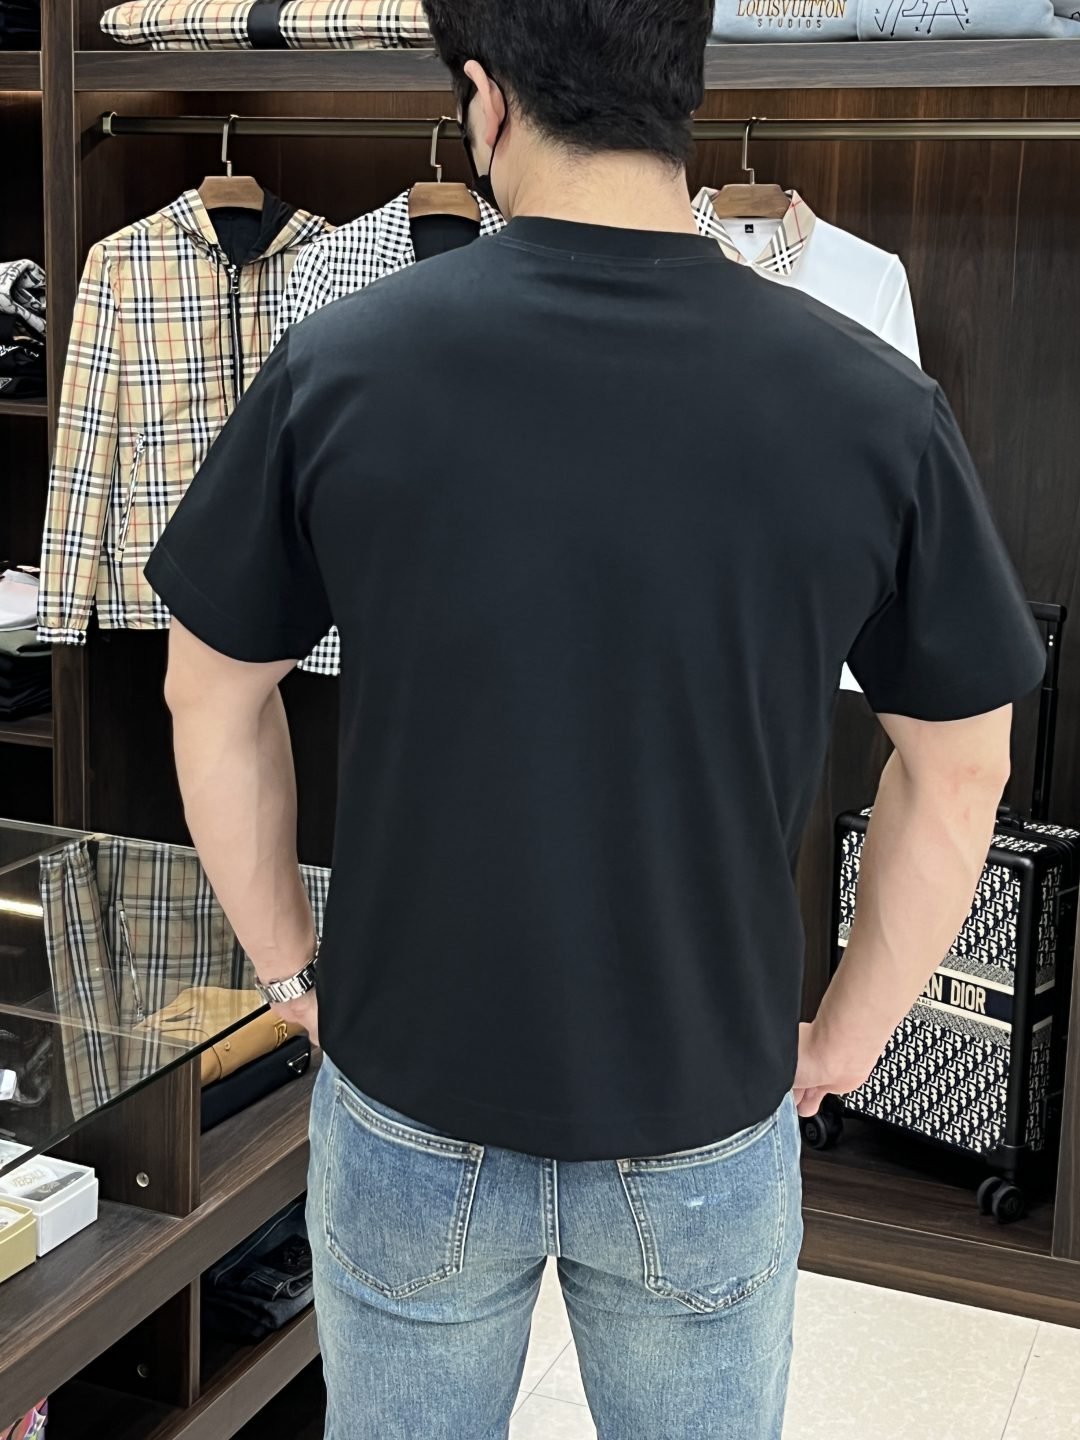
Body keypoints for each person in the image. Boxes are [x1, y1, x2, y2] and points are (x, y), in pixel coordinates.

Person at [144, 2, 1048, 1435]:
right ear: (686, 93)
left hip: (411, 1089)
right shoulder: (873, 403)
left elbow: (208, 687)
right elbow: (961, 772)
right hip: (703, 1106)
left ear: (486, 100)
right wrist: (846, 1041)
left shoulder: (340, 364)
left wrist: (290, 968)